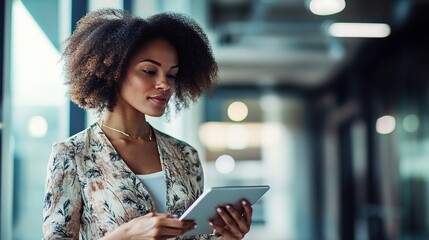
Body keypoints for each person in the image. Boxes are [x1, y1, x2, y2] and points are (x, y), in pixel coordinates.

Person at [42, 8, 253, 240]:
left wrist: (227, 237)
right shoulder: (73, 154)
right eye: (149, 71)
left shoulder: (185, 155)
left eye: (172, 75)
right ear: (112, 70)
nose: (165, 84)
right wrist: (126, 235)